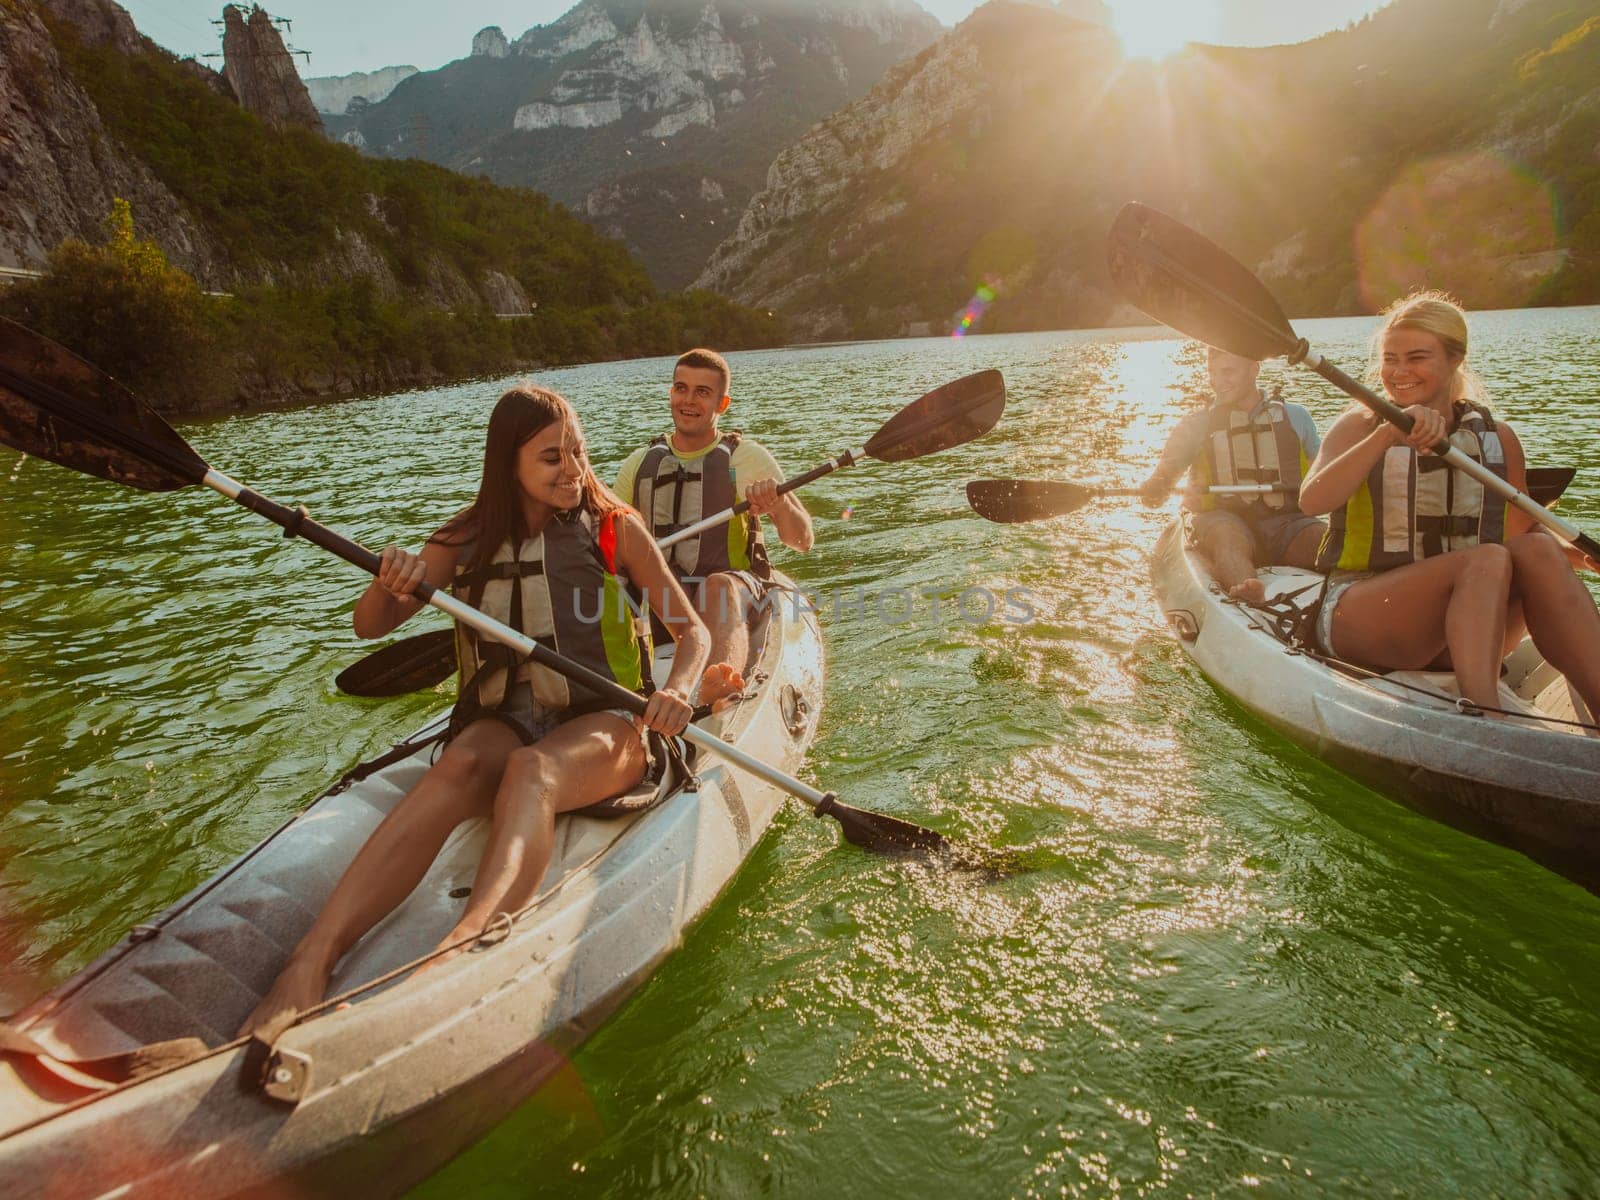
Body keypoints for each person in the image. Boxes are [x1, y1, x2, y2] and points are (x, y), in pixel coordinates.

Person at [240, 385, 707, 1038]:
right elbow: (371, 627)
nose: (572, 468)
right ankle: (309, 961)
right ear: (507, 464)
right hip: (505, 714)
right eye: (551, 457)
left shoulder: (614, 527)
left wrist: (679, 688)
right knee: (457, 764)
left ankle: (460, 949)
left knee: (530, 772)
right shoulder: (465, 537)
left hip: (605, 725)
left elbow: (691, 632)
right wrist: (388, 582)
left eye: (577, 450)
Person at [1297, 291, 1600, 718]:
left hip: (1470, 627)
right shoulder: (1359, 426)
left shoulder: (1497, 439)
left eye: (1416, 357)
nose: (1398, 372)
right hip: (1367, 619)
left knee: (1538, 549)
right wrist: (1386, 435)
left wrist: (1583, 560)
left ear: (1454, 359)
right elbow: (1312, 502)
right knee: (1486, 560)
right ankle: (1488, 718)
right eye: (1390, 358)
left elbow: (1520, 532)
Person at [614, 348, 813, 706]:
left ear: (722, 404)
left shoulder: (745, 458)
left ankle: (718, 687)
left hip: (734, 591)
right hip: (665, 601)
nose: (688, 400)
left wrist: (778, 504)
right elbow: (610, 544)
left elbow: (802, 540)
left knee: (716, 586)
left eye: (702, 392)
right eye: (680, 388)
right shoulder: (639, 463)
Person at [1140, 345, 1326, 603]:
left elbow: (1325, 474)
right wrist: (1154, 488)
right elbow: (1157, 490)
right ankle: (1248, 588)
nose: (1218, 382)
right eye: (1212, 373)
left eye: (1228, 372)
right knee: (1228, 538)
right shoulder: (1195, 425)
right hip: (1221, 518)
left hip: (1288, 522)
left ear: (1254, 369)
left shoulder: (1296, 416)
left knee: (1321, 538)